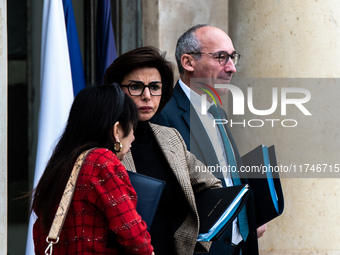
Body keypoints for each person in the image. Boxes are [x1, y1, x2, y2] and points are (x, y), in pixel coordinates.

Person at [151, 24, 266, 255]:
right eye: (221, 57)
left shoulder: (217, 113)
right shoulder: (162, 116)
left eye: (233, 57)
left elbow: (226, 177)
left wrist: (251, 214)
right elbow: (165, 200)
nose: (231, 68)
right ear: (188, 62)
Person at [103, 46, 222, 255]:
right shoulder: (102, 144)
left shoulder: (170, 137)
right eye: (135, 87)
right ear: (116, 90)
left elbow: (212, 186)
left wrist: (197, 238)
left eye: (155, 87)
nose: (147, 96)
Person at [31, 85, 155, 255]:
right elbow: (134, 236)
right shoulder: (101, 162)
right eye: (133, 126)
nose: (133, 137)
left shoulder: (59, 166)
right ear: (117, 130)